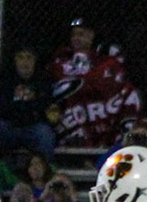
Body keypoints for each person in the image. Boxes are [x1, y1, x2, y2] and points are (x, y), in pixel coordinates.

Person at [49, 20, 141, 150]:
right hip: (76, 110)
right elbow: (63, 83)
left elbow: (106, 83)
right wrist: (86, 82)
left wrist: (84, 82)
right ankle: (77, 141)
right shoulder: (62, 58)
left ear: (91, 36)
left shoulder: (104, 58)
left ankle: (123, 135)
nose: (76, 38)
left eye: (81, 34)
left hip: (100, 106)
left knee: (129, 91)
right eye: (74, 35)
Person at [0, 47, 57, 160]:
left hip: (33, 127)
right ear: (15, 60)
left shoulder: (43, 79)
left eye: (29, 58)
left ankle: (47, 169)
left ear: (35, 61)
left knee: (46, 134)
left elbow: (43, 105)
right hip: (10, 127)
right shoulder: (7, 79)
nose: (25, 62)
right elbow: (3, 106)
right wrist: (27, 108)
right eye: (21, 57)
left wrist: (21, 108)